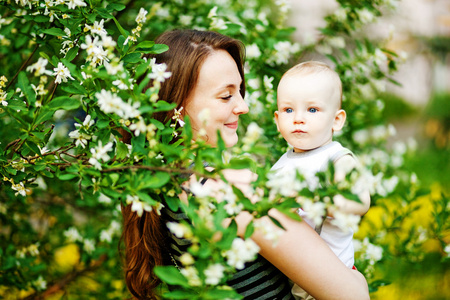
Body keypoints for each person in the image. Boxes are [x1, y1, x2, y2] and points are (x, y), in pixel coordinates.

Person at [121, 29, 370, 300]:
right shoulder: (229, 189)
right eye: (226, 96)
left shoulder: (161, 184)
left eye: (239, 91)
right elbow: (353, 295)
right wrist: (357, 278)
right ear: (178, 106)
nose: (243, 106)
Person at [271, 61, 371, 300]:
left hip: (332, 280)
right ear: (276, 119)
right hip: (293, 282)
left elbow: (360, 202)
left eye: (312, 110)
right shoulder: (280, 167)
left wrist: (310, 199)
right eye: (288, 110)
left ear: (337, 120)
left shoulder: (338, 159)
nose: (298, 119)